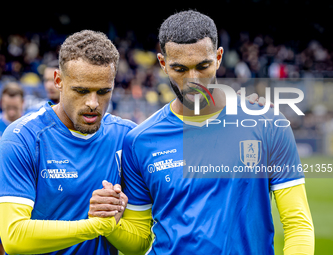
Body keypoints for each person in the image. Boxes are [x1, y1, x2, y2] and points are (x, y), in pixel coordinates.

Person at [90, 10, 314, 255]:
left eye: (203, 66)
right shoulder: (139, 141)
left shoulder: (266, 123)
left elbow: (297, 225)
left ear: (218, 58)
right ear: (163, 64)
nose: (193, 80)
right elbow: (139, 242)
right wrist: (108, 224)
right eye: (180, 69)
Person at [0, 30, 153, 255]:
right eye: (81, 90)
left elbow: (139, 245)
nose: (93, 103)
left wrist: (111, 224)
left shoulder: (127, 138)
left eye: (103, 91)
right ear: (58, 81)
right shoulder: (23, 137)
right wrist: (95, 225)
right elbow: (15, 237)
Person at [0, 82, 24, 255]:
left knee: (18, 246)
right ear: (2, 103)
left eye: (14, 106)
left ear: (22, 103)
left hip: (24, 197)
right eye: (7, 106)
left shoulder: (30, 127)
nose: (11, 109)